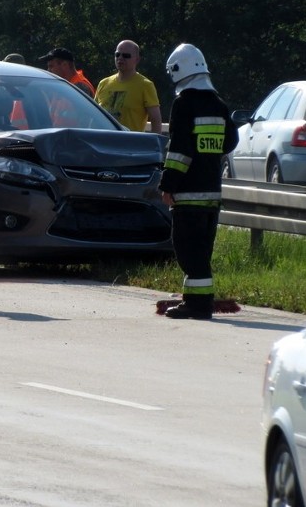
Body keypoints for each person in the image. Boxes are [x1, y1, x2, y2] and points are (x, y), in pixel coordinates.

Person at [158, 44, 239, 319]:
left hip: (189, 193)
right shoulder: (219, 103)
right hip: (212, 192)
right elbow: (230, 141)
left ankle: (198, 305)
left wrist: (168, 184)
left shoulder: (183, 104)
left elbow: (179, 149)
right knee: (201, 250)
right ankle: (197, 300)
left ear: (178, 71)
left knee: (187, 250)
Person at [95, 40, 162, 133]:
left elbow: (156, 119)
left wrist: (155, 145)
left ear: (137, 59)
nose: (120, 58)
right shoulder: (103, 83)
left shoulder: (145, 85)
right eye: (117, 54)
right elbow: (93, 115)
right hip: (102, 143)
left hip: (130, 144)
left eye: (126, 56)